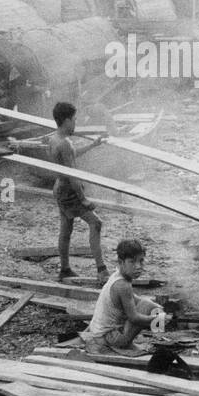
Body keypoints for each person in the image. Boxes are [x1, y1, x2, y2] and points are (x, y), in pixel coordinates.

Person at [48, 101, 107, 282]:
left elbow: (70, 157)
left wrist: (92, 145)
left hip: (59, 188)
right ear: (66, 120)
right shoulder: (64, 143)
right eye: (74, 120)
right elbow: (73, 175)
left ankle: (65, 269)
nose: (75, 123)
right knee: (96, 223)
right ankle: (101, 270)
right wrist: (83, 199)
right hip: (69, 191)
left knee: (66, 229)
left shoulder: (54, 138)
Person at [82, 239, 163, 356]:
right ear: (121, 262)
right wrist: (156, 319)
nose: (138, 266)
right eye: (132, 262)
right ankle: (134, 341)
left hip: (100, 333)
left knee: (148, 304)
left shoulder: (118, 275)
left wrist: (157, 308)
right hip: (109, 338)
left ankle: (159, 334)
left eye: (141, 261)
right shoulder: (122, 285)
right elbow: (134, 318)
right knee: (147, 311)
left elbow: (135, 299)